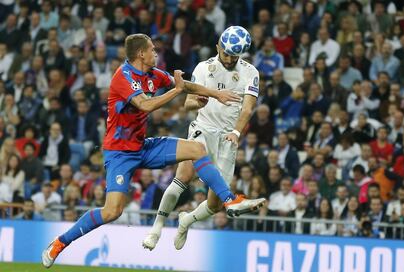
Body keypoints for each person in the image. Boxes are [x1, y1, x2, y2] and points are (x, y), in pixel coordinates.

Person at [42, 33, 264, 268]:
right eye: (152, 50)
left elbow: (185, 85)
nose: (156, 53)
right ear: (141, 54)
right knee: (112, 211)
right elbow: (146, 104)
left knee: (197, 149)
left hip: (143, 146)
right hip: (120, 153)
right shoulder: (123, 76)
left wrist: (216, 94)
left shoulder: (153, 74)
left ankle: (229, 199)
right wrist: (177, 91)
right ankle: (60, 243)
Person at [143, 27, 265, 251]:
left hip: (228, 138)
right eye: (226, 53)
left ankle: (186, 221)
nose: (229, 59)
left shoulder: (251, 73)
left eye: (234, 55)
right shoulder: (203, 68)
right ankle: (156, 230)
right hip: (203, 129)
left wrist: (236, 133)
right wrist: (197, 103)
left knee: (215, 204)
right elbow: (187, 103)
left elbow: (247, 110)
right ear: (218, 46)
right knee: (182, 179)